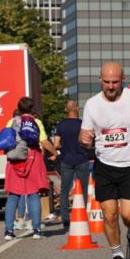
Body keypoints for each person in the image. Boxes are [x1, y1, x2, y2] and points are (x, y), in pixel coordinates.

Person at [80, 62, 130, 259]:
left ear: (122, 80)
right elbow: (84, 136)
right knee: (110, 215)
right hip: (104, 165)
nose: (110, 86)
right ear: (100, 80)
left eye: (115, 82)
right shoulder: (92, 104)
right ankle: (117, 256)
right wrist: (84, 139)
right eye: (106, 82)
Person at [4, 98, 50, 240]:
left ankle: (9, 231)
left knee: (13, 195)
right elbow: (44, 142)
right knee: (33, 194)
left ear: (18, 108)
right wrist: (54, 153)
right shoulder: (36, 122)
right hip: (32, 158)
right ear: (32, 109)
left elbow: (6, 140)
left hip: (15, 159)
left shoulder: (11, 122)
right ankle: (36, 229)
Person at [53, 99, 92, 232]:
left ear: (66, 110)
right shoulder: (82, 125)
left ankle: (65, 220)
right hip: (82, 160)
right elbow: (88, 143)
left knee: (64, 190)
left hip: (66, 160)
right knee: (83, 190)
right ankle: (83, 217)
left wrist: (63, 147)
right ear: (77, 110)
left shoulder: (61, 125)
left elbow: (56, 144)